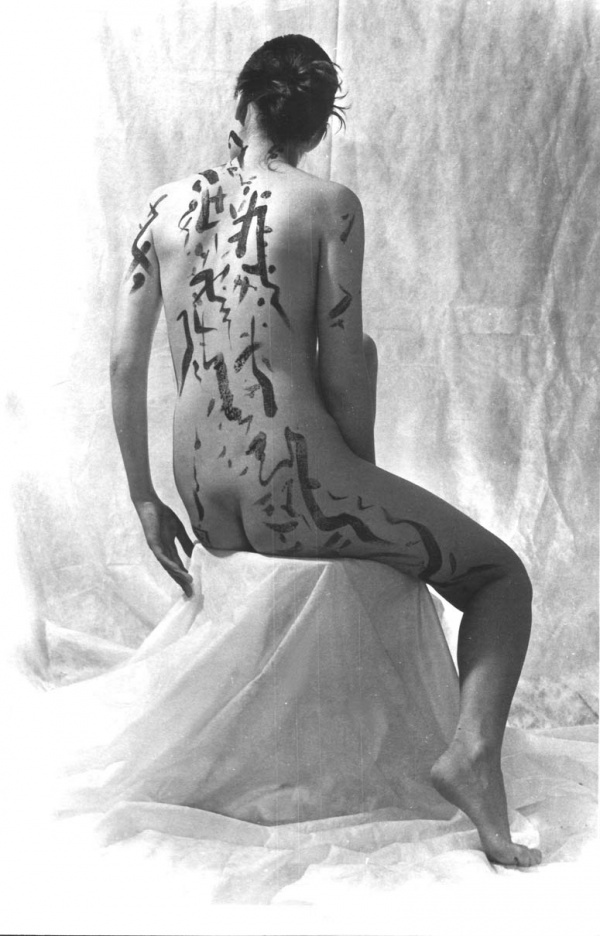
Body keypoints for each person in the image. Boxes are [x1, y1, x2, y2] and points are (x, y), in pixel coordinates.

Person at [110, 34, 541, 868]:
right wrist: (364, 491)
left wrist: (142, 497)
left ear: (242, 105)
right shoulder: (328, 205)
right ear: (315, 129)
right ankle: (471, 755)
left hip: (202, 497)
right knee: (500, 578)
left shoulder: (162, 209)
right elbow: (344, 374)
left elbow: (126, 364)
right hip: (293, 485)